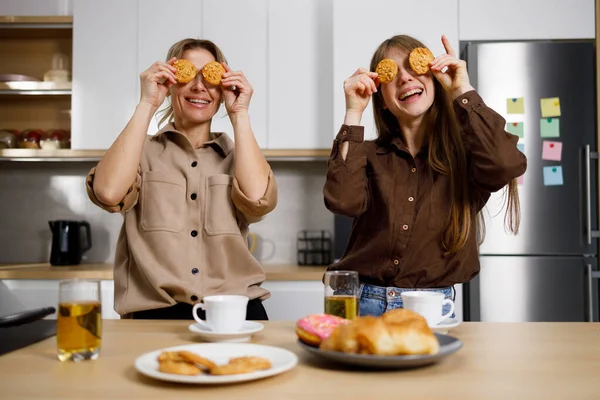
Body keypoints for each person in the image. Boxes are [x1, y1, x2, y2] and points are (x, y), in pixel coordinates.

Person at [323, 34, 526, 317]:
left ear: (433, 79)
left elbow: (507, 164)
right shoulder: (366, 154)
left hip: (431, 309)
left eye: (414, 67)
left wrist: (461, 90)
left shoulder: (468, 156)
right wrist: (353, 111)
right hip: (358, 303)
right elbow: (342, 202)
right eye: (392, 73)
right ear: (380, 98)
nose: (405, 78)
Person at [85, 38, 277, 320]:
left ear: (222, 86)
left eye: (209, 76)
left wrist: (240, 114)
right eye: (189, 74)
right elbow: (108, 192)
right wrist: (148, 102)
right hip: (155, 315)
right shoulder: (140, 152)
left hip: (236, 311)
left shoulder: (239, 158)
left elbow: (259, 201)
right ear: (171, 81)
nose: (199, 86)